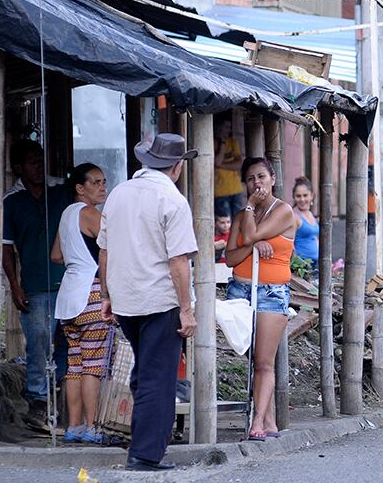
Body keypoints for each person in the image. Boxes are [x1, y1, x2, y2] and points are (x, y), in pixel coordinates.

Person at [98, 133, 198, 472]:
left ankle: (142, 443)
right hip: (159, 299)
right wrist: (186, 309)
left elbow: (105, 250)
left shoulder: (118, 194)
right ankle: (145, 453)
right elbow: (179, 261)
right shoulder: (171, 199)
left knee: (144, 373)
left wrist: (106, 296)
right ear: (177, 166)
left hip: (126, 298)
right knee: (157, 377)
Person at [224, 157, 296, 442]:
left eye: (262, 177)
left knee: (264, 361)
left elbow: (251, 233)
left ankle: (258, 422)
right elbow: (230, 257)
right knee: (251, 357)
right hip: (240, 290)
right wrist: (253, 245)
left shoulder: (284, 211)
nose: (257, 183)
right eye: (251, 178)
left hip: (271, 292)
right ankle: (269, 420)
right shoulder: (241, 216)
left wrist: (251, 226)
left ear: (273, 179)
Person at [2, 139, 70, 429]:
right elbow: (6, 249)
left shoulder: (62, 190)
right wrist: (15, 287)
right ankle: (38, 404)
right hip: (35, 286)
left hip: (69, 283)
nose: (38, 166)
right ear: (18, 167)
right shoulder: (11, 201)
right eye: (32, 161)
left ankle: (66, 402)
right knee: (39, 344)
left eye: (41, 159)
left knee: (69, 344)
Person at [51, 163, 111, 445]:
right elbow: (116, 247)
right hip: (92, 294)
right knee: (94, 366)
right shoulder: (91, 214)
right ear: (80, 188)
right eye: (96, 183)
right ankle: (93, 427)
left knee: (75, 364)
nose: (102, 187)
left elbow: (56, 255)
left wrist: (77, 259)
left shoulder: (67, 215)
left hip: (68, 297)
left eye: (103, 182)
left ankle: (73, 426)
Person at [214, 115, 245, 217]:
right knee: (225, 226)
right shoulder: (212, 142)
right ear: (219, 127)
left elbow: (239, 164)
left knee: (239, 223)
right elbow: (217, 161)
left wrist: (220, 165)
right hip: (220, 191)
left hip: (236, 189)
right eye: (226, 127)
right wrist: (222, 142)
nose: (229, 130)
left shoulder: (233, 142)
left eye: (230, 128)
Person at [291, 177, 320, 279]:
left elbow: (315, 238)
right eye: (298, 196)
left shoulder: (311, 214)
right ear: (294, 197)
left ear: (312, 195)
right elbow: (290, 243)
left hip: (317, 264)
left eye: (305, 195)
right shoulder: (294, 216)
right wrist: (298, 266)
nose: (302, 199)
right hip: (303, 266)